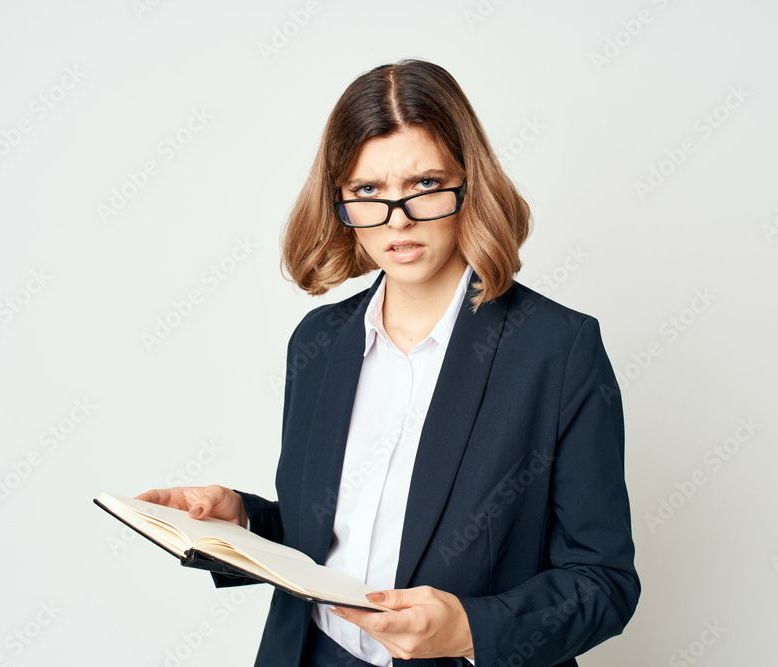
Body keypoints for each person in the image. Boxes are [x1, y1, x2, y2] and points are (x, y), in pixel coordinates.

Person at [138, 59, 639, 667]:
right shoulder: (318, 342)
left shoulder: (557, 350)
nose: (397, 219)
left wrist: (469, 629)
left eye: (425, 184)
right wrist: (240, 521)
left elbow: (604, 582)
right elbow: (331, 545)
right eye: (369, 191)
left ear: (469, 184)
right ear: (341, 199)